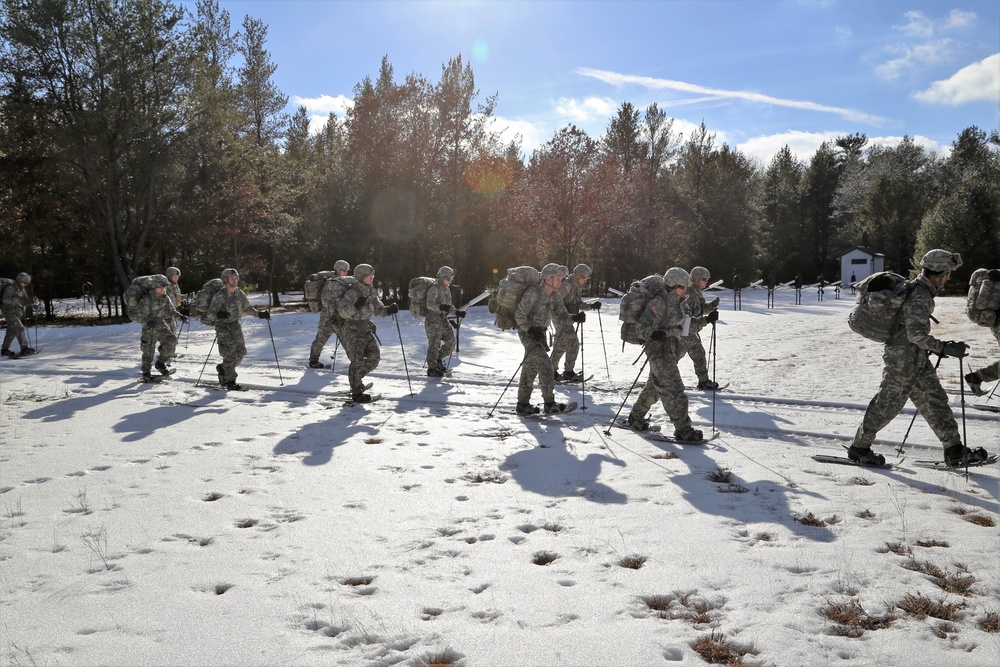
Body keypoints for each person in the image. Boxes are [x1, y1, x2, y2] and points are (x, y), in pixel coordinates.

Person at [848, 249, 988, 467]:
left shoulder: (922, 291)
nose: (949, 277)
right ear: (938, 273)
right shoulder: (920, 295)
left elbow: (913, 334)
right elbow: (915, 335)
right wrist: (944, 348)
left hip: (915, 358)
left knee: (935, 401)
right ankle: (859, 449)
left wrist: (941, 347)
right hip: (902, 360)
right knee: (887, 404)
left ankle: (954, 450)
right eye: (947, 273)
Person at [626, 267, 703, 442]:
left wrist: (706, 320)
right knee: (674, 390)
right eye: (684, 287)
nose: (686, 290)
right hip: (658, 351)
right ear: (675, 286)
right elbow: (641, 327)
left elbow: (685, 328)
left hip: (671, 351)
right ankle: (683, 429)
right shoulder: (659, 303)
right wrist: (653, 333)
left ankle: (636, 417)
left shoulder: (680, 303)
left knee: (654, 389)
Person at [514, 263, 570, 415]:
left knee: (530, 368)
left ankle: (522, 404)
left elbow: (562, 315)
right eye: (557, 279)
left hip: (541, 334)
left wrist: (575, 317)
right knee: (546, 365)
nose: (560, 282)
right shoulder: (533, 293)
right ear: (547, 279)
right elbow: (519, 315)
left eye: (561, 279)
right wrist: (530, 330)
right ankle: (549, 403)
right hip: (528, 334)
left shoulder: (555, 295)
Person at [337, 264, 398, 402]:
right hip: (353, 329)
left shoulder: (371, 291)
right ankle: (357, 391)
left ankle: (356, 380)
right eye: (369, 277)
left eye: (372, 276)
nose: (372, 279)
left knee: (374, 358)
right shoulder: (352, 292)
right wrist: (355, 306)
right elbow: (342, 311)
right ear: (361, 277)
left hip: (366, 329)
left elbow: (378, 309)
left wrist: (389, 310)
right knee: (357, 361)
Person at [207, 268, 270, 391]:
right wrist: (219, 315)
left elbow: (247, 307)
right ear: (226, 280)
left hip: (235, 325)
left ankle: (224, 368)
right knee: (229, 354)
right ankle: (230, 381)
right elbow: (210, 314)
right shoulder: (220, 295)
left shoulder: (239, 293)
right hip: (223, 326)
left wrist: (260, 314)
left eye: (236, 278)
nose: (235, 280)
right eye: (232, 278)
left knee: (241, 352)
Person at [551, 263, 600, 382]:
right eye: (584, 278)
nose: (585, 280)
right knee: (573, 344)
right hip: (561, 318)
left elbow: (577, 303)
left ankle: (551, 371)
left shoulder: (575, 286)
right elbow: (553, 302)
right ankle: (568, 372)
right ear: (577, 275)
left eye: (587, 278)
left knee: (561, 346)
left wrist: (591, 306)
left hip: (568, 318)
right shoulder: (566, 286)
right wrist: (569, 317)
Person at [136, 274, 186, 383]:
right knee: (148, 352)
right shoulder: (147, 299)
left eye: (164, 286)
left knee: (172, 341)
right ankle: (146, 373)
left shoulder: (165, 297)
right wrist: (148, 322)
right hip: (149, 328)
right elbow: (141, 315)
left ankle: (160, 363)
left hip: (161, 324)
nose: (163, 289)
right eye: (160, 286)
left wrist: (180, 317)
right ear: (154, 286)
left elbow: (171, 311)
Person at [682, 266, 721, 390]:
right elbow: (686, 320)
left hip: (686, 330)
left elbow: (699, 310)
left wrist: (711, 306)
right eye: (704, 279)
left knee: (675, 357)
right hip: (683, 330)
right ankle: (703, 382)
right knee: (697, 353)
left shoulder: (696, 292)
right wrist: (707, 320)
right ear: (696, 279)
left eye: (707, 279)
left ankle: (703, 381)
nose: (707, 282)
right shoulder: (689, 294)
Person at [424, 265, 465, 377]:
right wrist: (440, 307)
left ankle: (438, 359)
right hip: (433, 321)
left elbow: (449, 305)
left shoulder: (446, 289)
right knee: (434, 345)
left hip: (443, 320)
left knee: (451, 341)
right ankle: (432, 368)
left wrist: (457, 312)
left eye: (451, 279)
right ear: (443, 278)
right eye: (449, 279)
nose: (450, 281)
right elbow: (429, 305)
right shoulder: (434, 289)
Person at [309, 260, 350, 369]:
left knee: (346, 339)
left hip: (339, 316)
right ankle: (313, 361)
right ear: (337, 269)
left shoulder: (342, 282)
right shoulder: (330, 282)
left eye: (347, 271)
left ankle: (356, 361)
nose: (346, 273)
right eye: (343, 270)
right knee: (321, 339)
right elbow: (326, 301)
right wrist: (333, 315)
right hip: (327, 317)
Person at [2, 272, 38, 357]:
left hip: (17, 312)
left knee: (11, 332)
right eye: (24, 282)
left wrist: (33, 301)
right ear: (19, 280)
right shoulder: (10, 288)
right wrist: (16, 297)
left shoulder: (22, 289)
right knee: (19, 328)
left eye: (26, 283)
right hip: (9, 312)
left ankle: (4, 350)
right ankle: (24, 348)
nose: (25, 285)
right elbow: (5, 300)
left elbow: (24, 302)